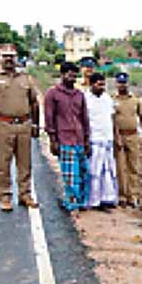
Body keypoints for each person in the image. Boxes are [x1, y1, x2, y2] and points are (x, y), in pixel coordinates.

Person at [0, 43, 40, 211]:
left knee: (25, 163)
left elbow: (34, 102)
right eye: (5, 56)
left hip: (24, 124)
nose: (8, 59)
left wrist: (35, 124)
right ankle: (5, 196)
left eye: (11, 56)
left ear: (16, 58)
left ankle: (25, 194)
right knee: (2, 164)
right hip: (2, 124)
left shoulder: (25, 77)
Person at [44, 61, 90, 212]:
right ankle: (71, 203)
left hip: (79, 139)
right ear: (62, 75)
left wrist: (87, 140)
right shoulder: (53, 93)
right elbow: (49, 118)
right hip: (64, 139)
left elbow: (84, 118)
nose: (72, 78)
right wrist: (53, 140)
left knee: (85, 173)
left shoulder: (79, 95)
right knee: (70, 175)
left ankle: (82, 201)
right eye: (69, 75)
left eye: (74, 75)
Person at [113, 71, 142, 208]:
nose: (122, 85)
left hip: (133, 136)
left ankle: (132, 195)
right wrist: (115, 137)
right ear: (116, 84)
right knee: (120, 167)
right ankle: (122, 195)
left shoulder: (136, 100)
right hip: (118, 136)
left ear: (128, 83)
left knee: (133, 166)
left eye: (124, 82)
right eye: (119, 82)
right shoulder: (112, 100)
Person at [85, 72, 118, 210]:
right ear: (92, 84)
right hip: (94, 139)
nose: (102, 87)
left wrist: (116, 137)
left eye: (103, 84)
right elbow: (83, 121)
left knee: (109, 170)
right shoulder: (85, 98)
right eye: (99, 84)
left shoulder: (107, 98)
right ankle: (94, 200)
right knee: (94, 171)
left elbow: (112, 118)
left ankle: (108, 199)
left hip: (107, 139)